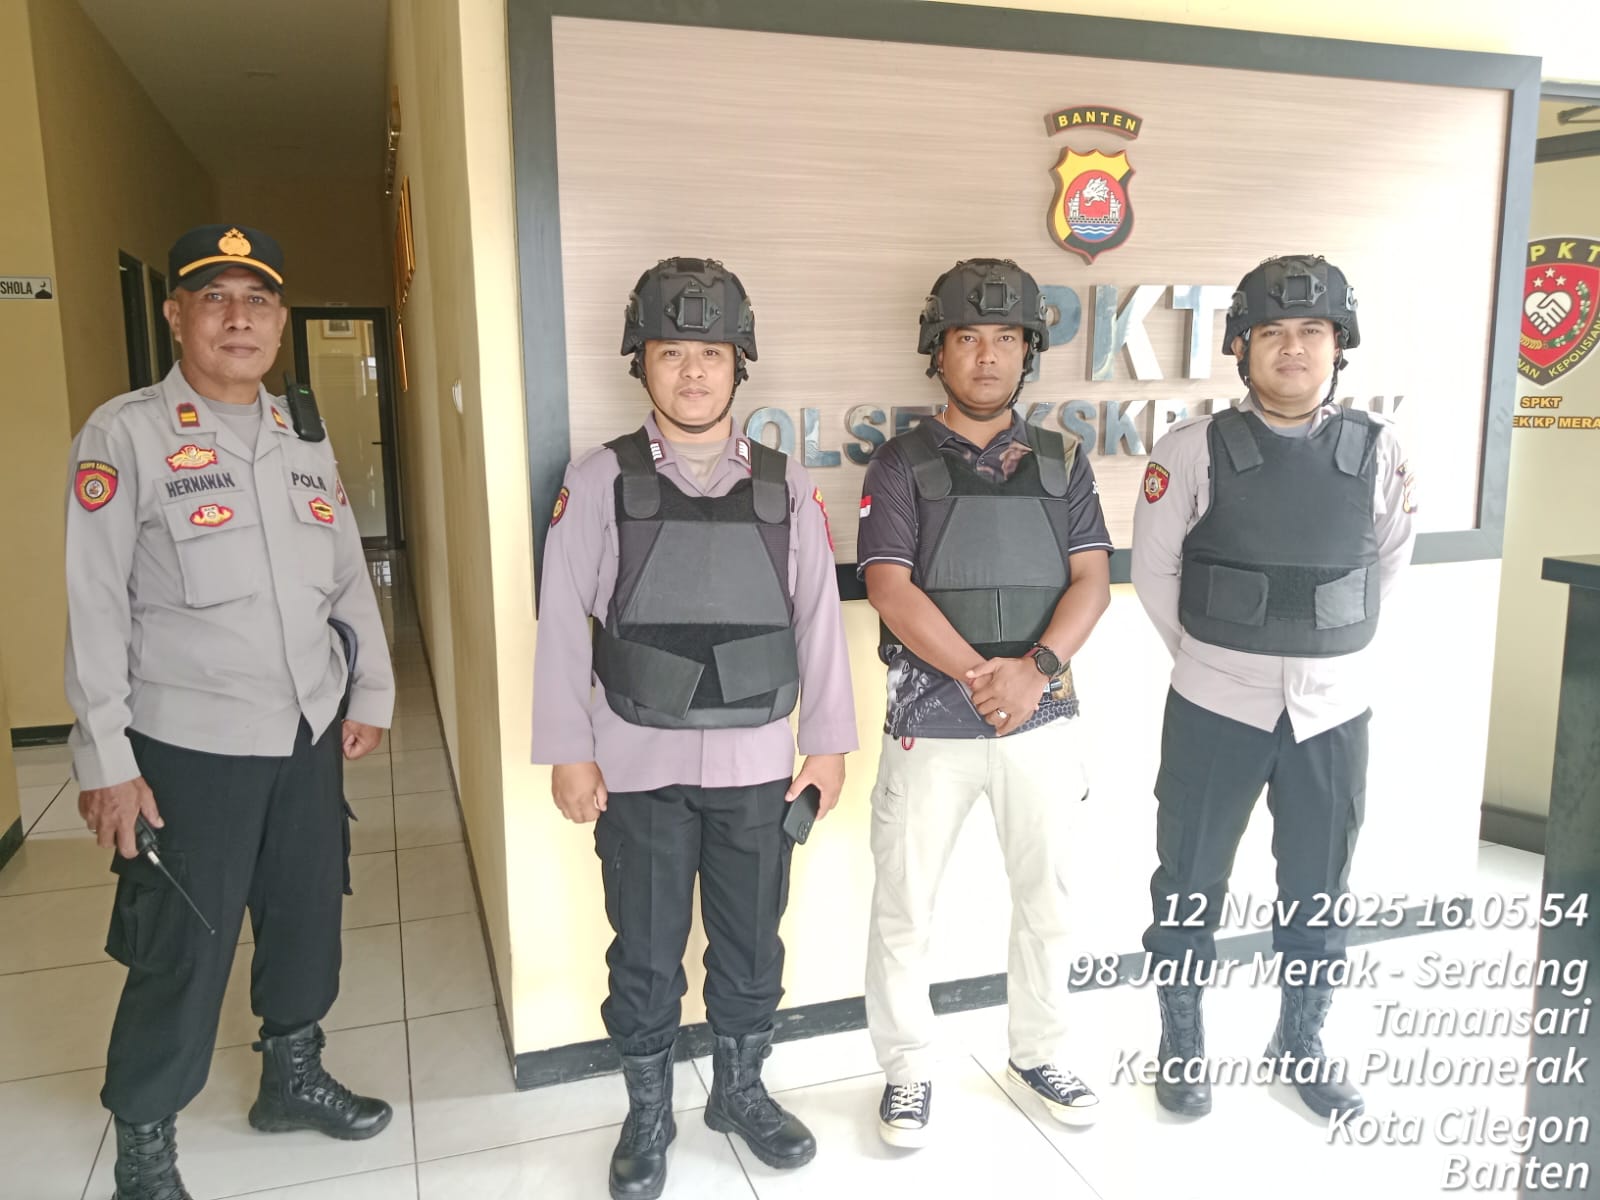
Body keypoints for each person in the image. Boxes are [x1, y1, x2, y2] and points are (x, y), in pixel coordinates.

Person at [65, 225, 396, 1200]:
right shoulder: (125, 435)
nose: (238, 318)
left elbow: (345, 574)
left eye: (258, 300)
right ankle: (145, 1144)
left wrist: (371, 689)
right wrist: (106, 761)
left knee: (305, 917)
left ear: (281, 322)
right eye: (215, 297)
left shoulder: (303, 431)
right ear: (177, 315)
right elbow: (93, 606)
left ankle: (291, 1078)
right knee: (181, 948)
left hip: (304, 731)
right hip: (189, 747)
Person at [531, 258, 856, 1200]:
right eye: (672, 352)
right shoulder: (598, 481)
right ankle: (647, 1113)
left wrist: (828, 744)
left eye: (710, 353)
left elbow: (817, 621)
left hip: (758, 763)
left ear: (738, 361)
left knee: (751, 943)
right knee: (644, 949)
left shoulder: (785, 486)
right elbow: (563, 625)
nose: (693, 372)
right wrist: (569, 751)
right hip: (637, 763)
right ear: (641, 361)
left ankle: (741, 1093)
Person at [1130, 253, 1416, 1121]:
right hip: (1216, 705)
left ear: (1339, 345)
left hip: (1334, 712)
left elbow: (1385, 567)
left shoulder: (1380, 449)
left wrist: (1319, 654)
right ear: (1242, 346)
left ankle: (1301, 1043)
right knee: (1188, 885)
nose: (1293, 347)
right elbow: (1155, 575)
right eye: (1274, 332)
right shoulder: (1190, 450)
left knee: (1320, 890)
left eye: (1313, 331)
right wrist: (1220, 657)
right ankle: (1183, 1044)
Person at [859, 258, 1113, 1147]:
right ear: (939, 350)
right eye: (968, 337)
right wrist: (983, 675)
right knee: (905, 907)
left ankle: (1040, 1053)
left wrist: (1033, 671)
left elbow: (1092, 581)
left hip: (1042, 719)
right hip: (929, 723)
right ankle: (906, 1072)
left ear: (1028, 351)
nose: (987, 356)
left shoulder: (1063, 460)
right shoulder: (899, 461)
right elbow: (889, 587)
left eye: (1006, 338)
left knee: (1049, 901)